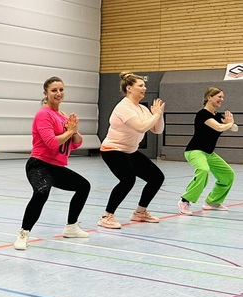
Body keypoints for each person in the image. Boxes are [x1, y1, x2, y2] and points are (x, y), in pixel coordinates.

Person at [13, 77, 91, 250]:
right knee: (41, 193)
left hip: (56, 167)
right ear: (46, 93)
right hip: (39, 164)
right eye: (54, 90)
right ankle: (23, 233)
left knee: (83, 186)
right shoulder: (44, 114)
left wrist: (74, 131)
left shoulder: (63, 115)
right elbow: (51, 142)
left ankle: (71, 227)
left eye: (61, 90)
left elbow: (76, 143)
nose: (58, 93)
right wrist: (70, 131)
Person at [98, 72, 165, 229]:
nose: (144, 88)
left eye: (144, 85)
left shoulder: (141, 108)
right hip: (112, 149)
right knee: (128, 180)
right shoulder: (123, 107)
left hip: (130, 151)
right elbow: (141, 127)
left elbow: (157, 129)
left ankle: (140, 212)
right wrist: (155, 115)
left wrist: (159, 115)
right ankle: (106, 216)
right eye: (140, 85)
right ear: (129, 88)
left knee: (156, 177)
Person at [179, 87, 236, 215]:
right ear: (209, 97)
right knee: (203, 170)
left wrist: (230, 123)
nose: (222, 99)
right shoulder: (202, 114)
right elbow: (218, 127)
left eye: (222, 97)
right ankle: (184, 200)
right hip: (194, 151)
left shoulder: (217, 115)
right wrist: (228, 123)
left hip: (209, 153)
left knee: (228, 174)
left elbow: (234, 129)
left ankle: (212, 202)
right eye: (219, 96)